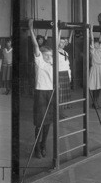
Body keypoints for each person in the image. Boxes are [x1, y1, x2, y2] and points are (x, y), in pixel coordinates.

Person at [28, 19, 54, 159]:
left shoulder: (52, 65)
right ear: (42, 56)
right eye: (47, 56)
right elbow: (35, 45)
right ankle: (37, 147)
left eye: (51, 56)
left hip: (50, 92)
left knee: (48, 121)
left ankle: (43, 144)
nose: (50, 58)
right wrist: (31, 29)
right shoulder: (39, 62)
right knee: (39, 122)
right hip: (40, 93)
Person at [89, 26, 101, 109]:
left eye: (98, 44)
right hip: (95, 69)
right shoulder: (93, 51)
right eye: (95, 44)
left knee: (99, 86)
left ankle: (97, 101)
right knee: (95, 86)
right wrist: (91, 31)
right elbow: (92, 40)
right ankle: (94, 102)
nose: (97, 44)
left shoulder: (100, 50)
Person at [58, 30, 73, 119]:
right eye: (61, 42)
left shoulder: (66, 53)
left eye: (64, 42)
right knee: (59, 95)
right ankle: (57, 113)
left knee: (63, 96)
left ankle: (61, 113)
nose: (63, 44)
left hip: (65, 75)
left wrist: (69, 76)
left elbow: (68, 66)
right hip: (59, 75)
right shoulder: (55, 52)